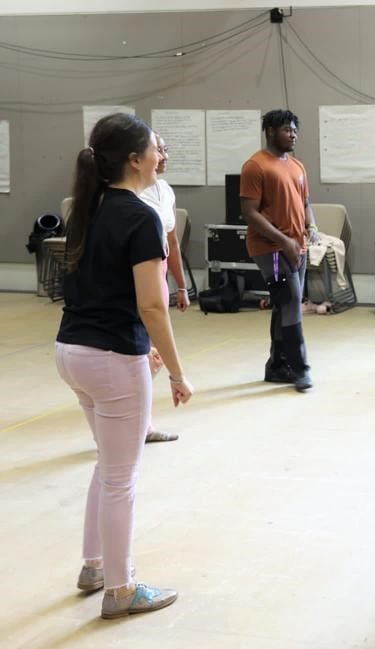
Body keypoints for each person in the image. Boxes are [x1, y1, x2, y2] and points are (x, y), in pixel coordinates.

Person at [56, 112, 193, 618]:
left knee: (108, 466)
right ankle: (120, 588)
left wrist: (144, 346)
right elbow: (152, 305)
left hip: (72, 352)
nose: (162, 155)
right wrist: (177, 371)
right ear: (135, 161)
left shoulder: (88, 210)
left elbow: (97, 290)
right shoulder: (140, 217)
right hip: (111, 360)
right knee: (121, 478)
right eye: (154, 149)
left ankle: (95, 566)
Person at [240, 109, 319, 392]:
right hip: (270, 248)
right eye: (287, 129)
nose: (293, 134)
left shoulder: (297, 166)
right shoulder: (256, 166)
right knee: (290, 302)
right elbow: (249, 213)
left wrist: (312, 227)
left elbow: (306, 203)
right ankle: (300, 370)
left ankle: (277, 366)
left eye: (295, 129)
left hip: (297, 247)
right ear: (270, 131)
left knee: (283, 304)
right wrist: (284, 241)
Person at [138, 133, 189, 443]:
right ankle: (134, 426)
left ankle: (141, 423)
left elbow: (172, 241)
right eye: (158, 149)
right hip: (139, 277)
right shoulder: (132, 197)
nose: (164, 155)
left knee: (148, 357)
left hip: (159, 273)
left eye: (166, 149)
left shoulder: (165, 191)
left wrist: (182, 286)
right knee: (142, 354)